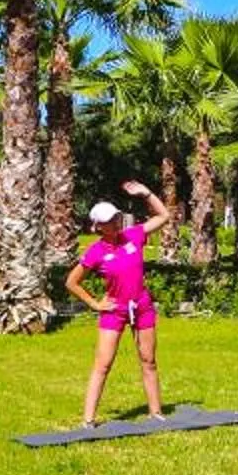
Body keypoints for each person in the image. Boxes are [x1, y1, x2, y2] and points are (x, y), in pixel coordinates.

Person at [67, 181, 175, 424]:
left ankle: (156, 413)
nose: (115, 221)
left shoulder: (133, 235)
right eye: (109, 220)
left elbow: (164, 216)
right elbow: (71, 282)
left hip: (142, 306)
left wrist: (146, 194)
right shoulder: (95, 252)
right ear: (97, 226)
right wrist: (95, 304)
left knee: (148, 360)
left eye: (116, 216)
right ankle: (88, 420)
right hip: (114, 311)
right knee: (103, 364)